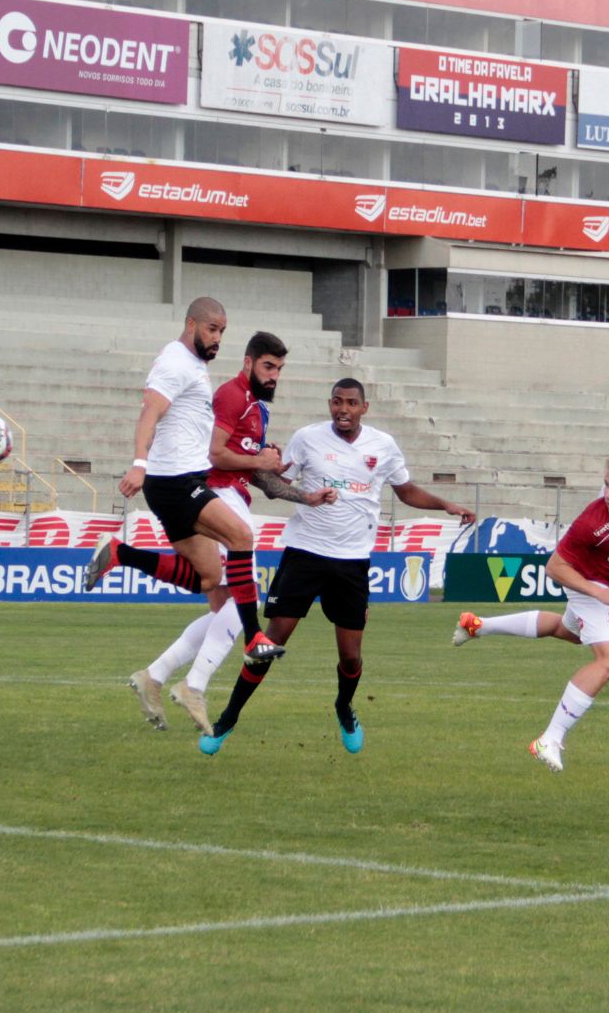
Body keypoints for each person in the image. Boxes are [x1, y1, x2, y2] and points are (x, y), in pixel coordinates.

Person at [202, 378, 475, 756]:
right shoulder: (307, 438)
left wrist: (447, 505)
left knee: (350, 655)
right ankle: (226, 719)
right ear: (329, 404)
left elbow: (406, 490)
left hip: (352, 562)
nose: (342, 409)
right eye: (336, 402)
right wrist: (263, 466)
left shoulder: (383, 445)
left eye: (350, 403)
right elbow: (273, 481)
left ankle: (344, 707)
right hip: (304, 553)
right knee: (271, 639)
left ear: (364, 408)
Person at [127, 331, 337, 733]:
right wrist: (257, 459)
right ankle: (193, 684)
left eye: (279, 369)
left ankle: (155, 676)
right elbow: (215, 452)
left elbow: (256, 473)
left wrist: (304, 496)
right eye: (268, 366)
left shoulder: (257, 408)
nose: (274, 375)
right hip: (216, 496)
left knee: (224, 606)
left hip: (231, 496)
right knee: (236, 606)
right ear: (248, 363)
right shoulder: (231, 395)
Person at [452, 450, 609, 772]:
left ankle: (477, 626)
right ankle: (550, 738)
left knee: (565, 631)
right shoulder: (594, 521)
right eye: (607, 485)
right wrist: (599, 592)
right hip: (587, 581)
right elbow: (554, 567)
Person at [85, 297, 281, 665]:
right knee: (241, 537)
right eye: (212, 329)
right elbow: (149, 413)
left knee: (207, 578)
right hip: (174, 480)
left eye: (222, 331)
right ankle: (254, 637)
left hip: (176, 481)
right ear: (191, 325)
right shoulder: (176, 361)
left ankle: (118, 553)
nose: (217, 337)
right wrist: (138, 464)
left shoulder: (191, 363)